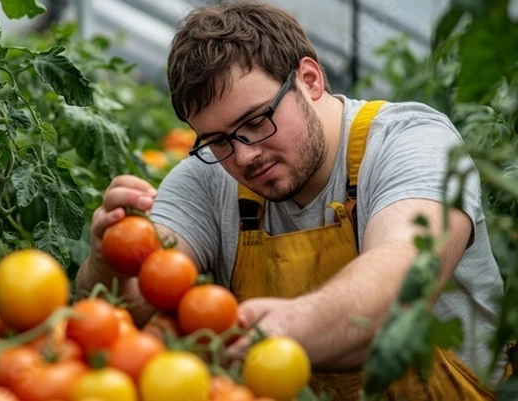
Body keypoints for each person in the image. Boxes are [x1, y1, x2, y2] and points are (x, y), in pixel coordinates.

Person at [76, 1, 506, 399]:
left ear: (310, 80)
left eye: (258, 120)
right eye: (217, 140)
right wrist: (109, 260)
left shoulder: (410, 140)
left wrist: (285, 326)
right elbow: (134, 305)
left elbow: (403, 283)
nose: (244, 154)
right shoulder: (205, 178)